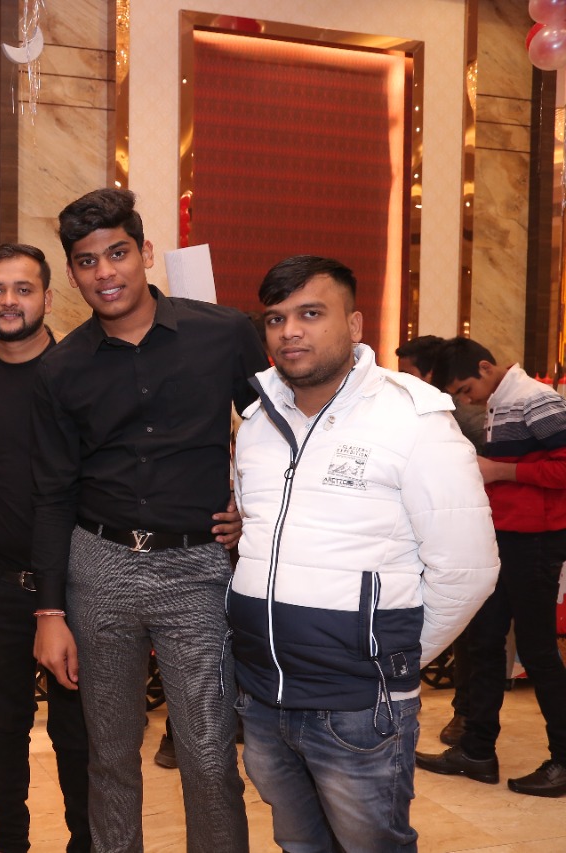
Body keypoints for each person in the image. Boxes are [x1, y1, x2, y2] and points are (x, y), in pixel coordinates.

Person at [231, 255, 499, 850]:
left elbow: (469, 570)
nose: (290, 331)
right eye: (276, 318)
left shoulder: (412, 418)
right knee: (299, 845)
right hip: (265, 696)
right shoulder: (257, 422)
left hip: (359, 705)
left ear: (354, 325)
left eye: (311, 314)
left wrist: (386, 657)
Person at [30, 188, 264, 853]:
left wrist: (254, 511)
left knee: (209, 757)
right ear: (72, 274)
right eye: (87, 261)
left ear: (146, 253)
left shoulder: (224, 333)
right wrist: (49, 612)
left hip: (196, 567)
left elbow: (275, 434)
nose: (105, 272)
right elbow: (52, 493)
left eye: (118, 253)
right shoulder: (60, 368)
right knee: (109, 758)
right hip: (98, 566)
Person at [0, 243, 90, 853]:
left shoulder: (83, 370)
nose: (9, 301)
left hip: (79, 588)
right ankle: (9, 841)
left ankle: (87, 841)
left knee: (78, 734)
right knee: (3, 728)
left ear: (48, 299)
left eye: (23, 289)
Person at [416, 337, 566, 798]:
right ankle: (476, 749)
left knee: (538, 651)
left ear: (485, 367)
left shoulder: (535, 399)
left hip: (536, 539)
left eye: (465, 389)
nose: (466, 400)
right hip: (506, 536)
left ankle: (564, 760)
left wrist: (500, 472)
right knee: (482, 641)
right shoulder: (500, 400)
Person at [395, 333, 486, 747]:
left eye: (410, 373)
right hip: (426, 539)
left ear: (430, 374)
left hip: (455, 540)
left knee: (473, 638)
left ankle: (467, 719)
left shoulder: (453, 420)